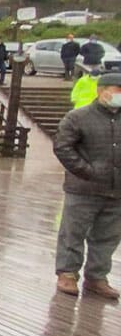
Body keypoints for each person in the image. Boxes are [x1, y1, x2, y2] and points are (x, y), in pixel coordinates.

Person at [52, 72, 121, 299]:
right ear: (102, 91)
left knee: (108, 237)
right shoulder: (77, 117)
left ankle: (97, 277)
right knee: (73, 232)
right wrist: (85, 171)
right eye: (118, 90)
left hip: (116, 191)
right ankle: (68, 274)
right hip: (83, 188)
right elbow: (63, 147)